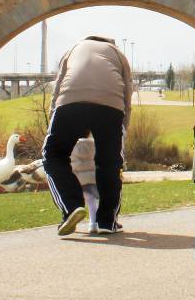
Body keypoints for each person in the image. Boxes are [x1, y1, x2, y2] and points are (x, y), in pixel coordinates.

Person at [44, 36, 132, 236]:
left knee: (53, 155)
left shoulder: (73, 48)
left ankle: (71, 206)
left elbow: (57, 88)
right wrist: (122, 130)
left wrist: (53, 120)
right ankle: (106, 221)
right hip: (111, 106)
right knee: (110, 163)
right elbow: (128, 92)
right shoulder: (118, 54)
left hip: (70, 102)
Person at [71, 135, 101, 232]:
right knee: (92, 202)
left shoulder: (72, 145)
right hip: (91, 177)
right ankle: (93, 224)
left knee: (74, 203)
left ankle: (72, 224)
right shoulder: (94, 144)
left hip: (77, 178)